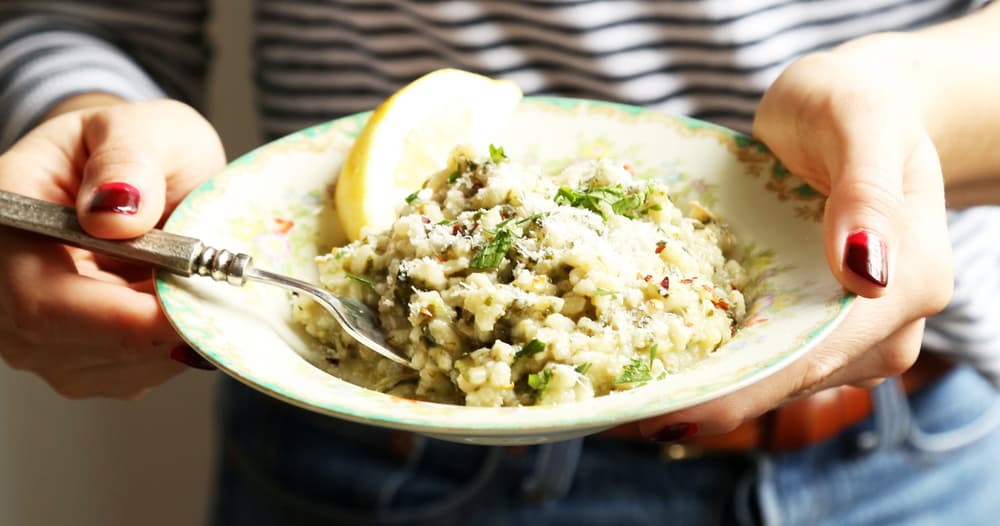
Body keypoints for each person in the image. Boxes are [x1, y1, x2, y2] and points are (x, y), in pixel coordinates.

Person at [2, 1, 1000, 524]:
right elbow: (79, 21)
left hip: (904, 464)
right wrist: (87, 130)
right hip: (370, 471)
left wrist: (908, 110)